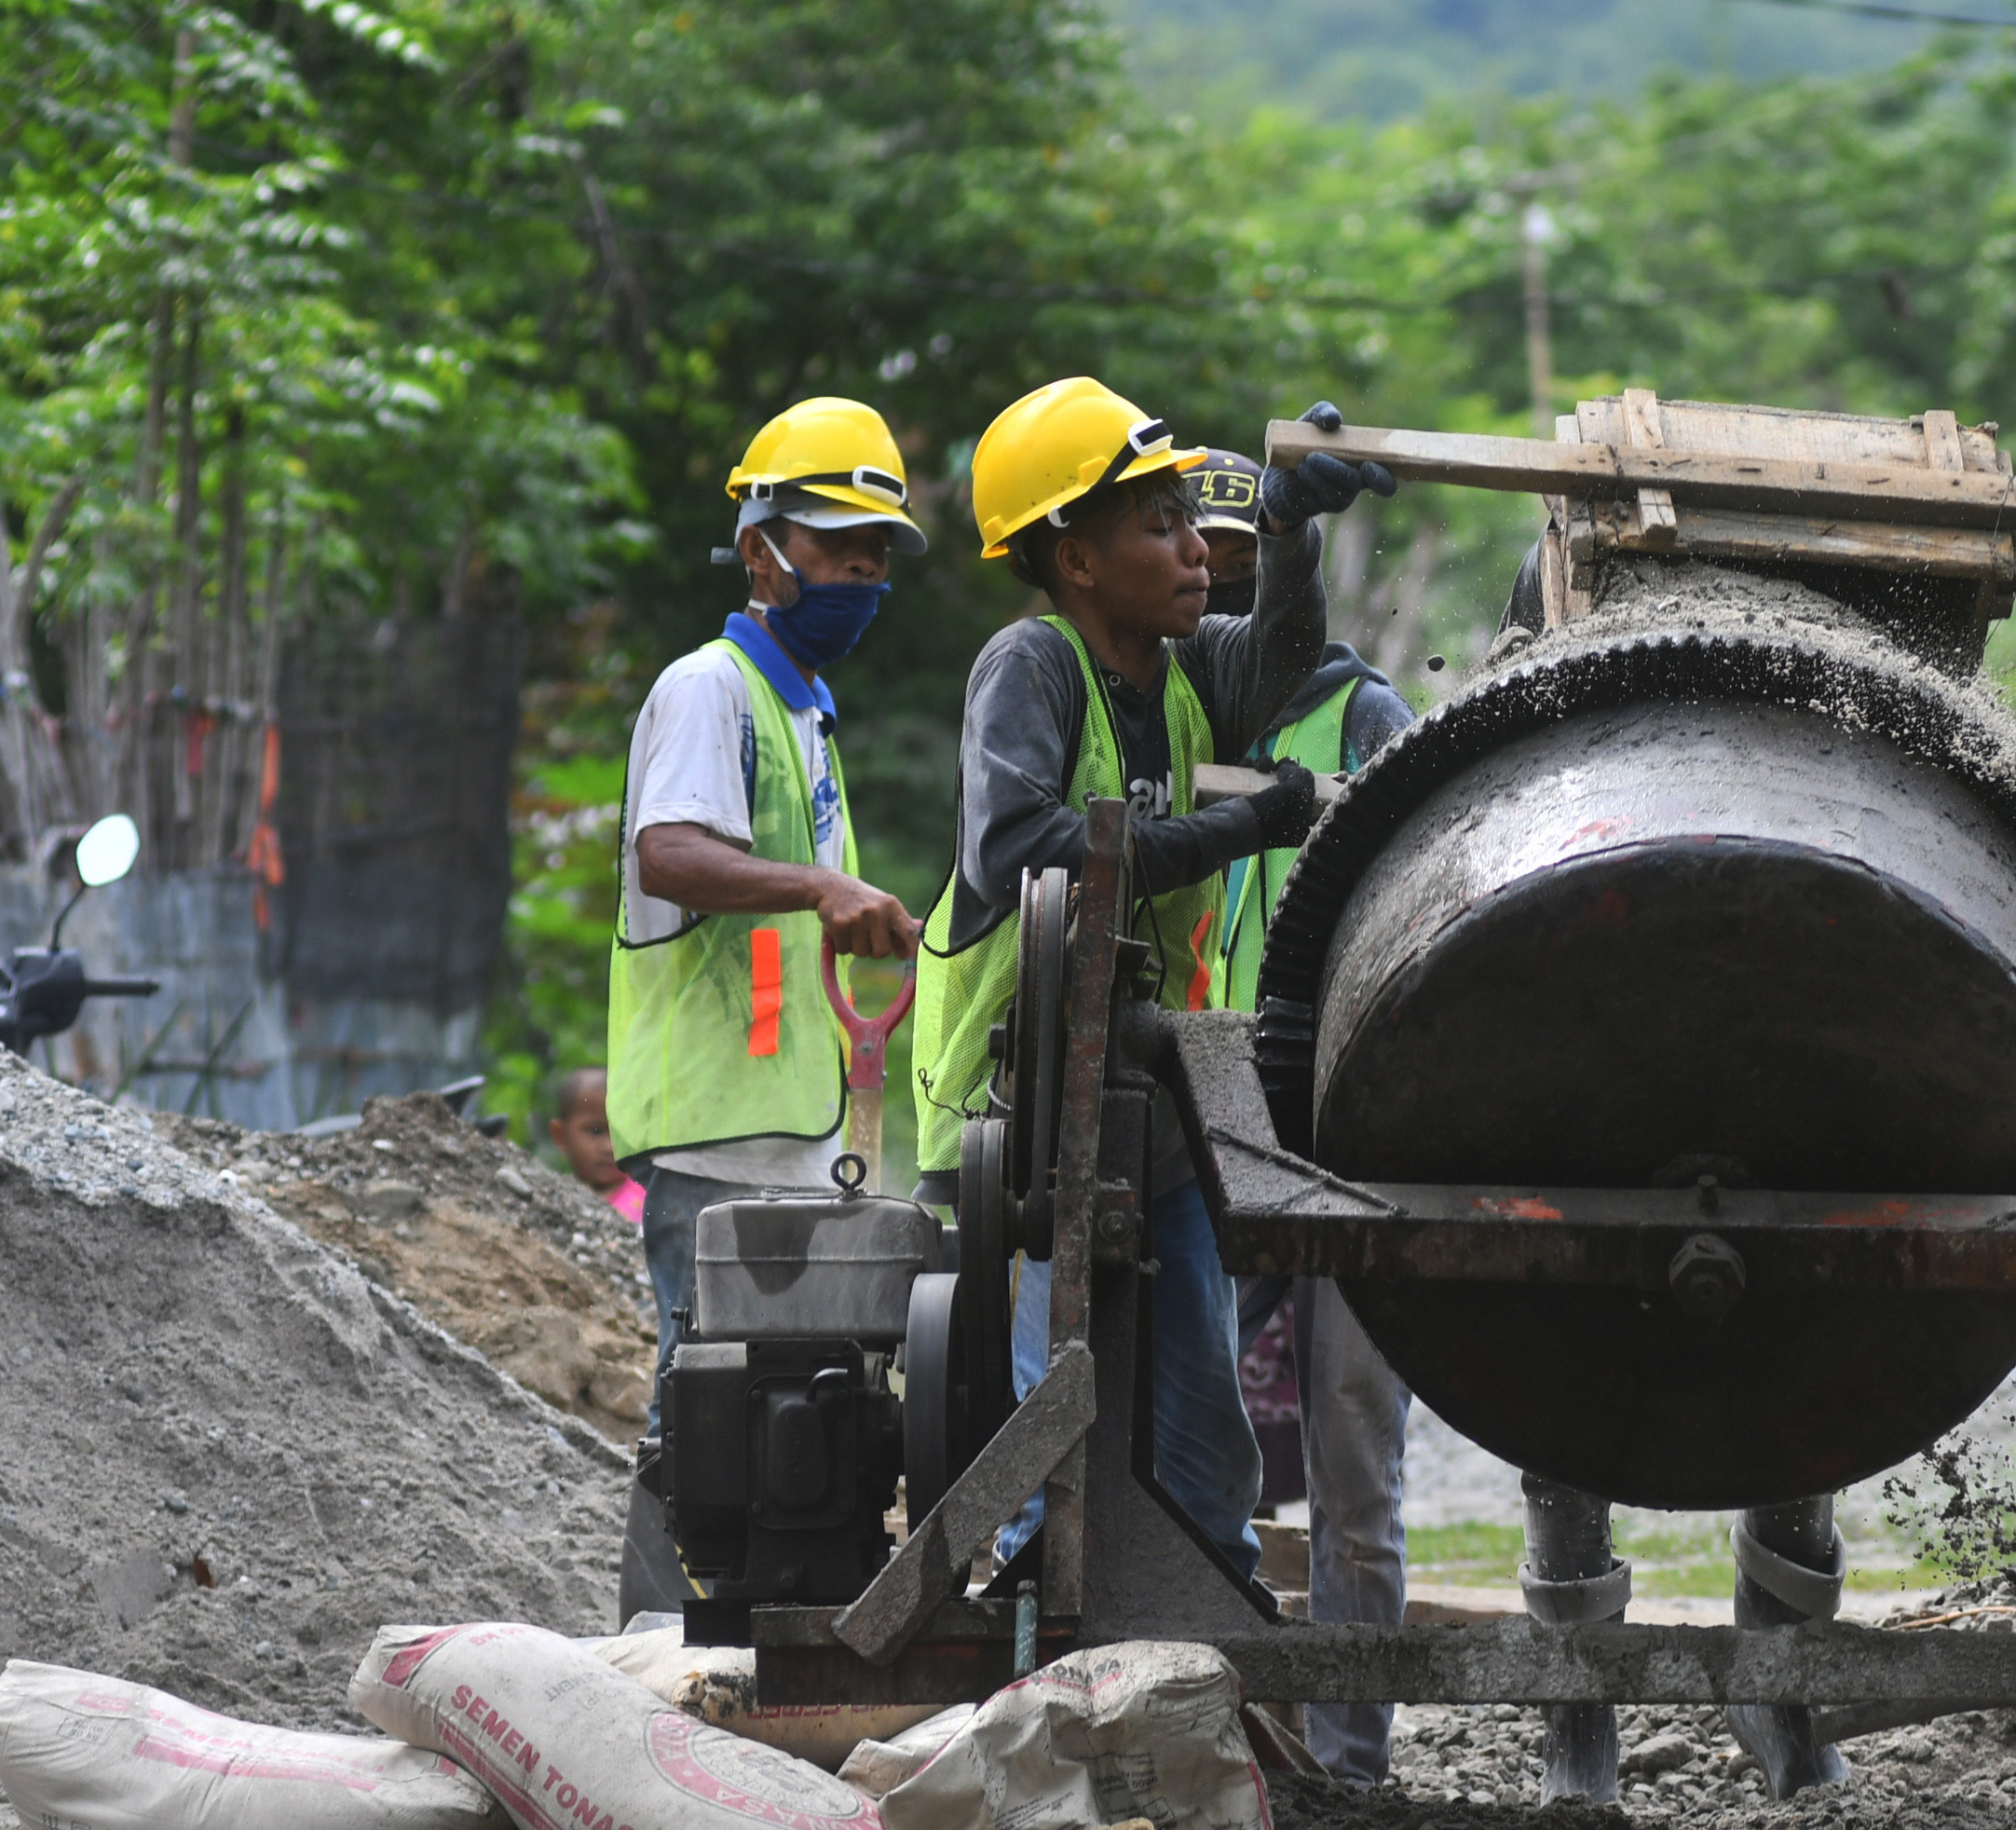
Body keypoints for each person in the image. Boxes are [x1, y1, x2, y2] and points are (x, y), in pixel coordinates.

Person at [912, 377, 1387, 1589]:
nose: (1196, 553)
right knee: (1049, 1441)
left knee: (1205, 1452)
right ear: (1077, 559)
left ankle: (1196, 1673)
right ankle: (1047, 1678)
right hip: (1014, 1126)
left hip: (1144, 1099)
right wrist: (1234, 832)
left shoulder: (1189, 673)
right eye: (1163, 527)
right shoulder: (1031, 668)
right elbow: (1016, 850)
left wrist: (1290, 535)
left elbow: (1282, 655)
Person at [607, 396, 927, 1621]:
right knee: (697, 1411)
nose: (863, 570)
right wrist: (822, 884)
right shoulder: (712, 692)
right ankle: (647, 1654)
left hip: (783, 1138)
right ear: (760, 550)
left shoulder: (802, 712)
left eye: (877, 549)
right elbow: (669, 855)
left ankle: (753, 1649)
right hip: (710, 1131)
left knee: (778, 1423)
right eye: (839, 541)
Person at [1192, 439, 1426, 1781]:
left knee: (1354, 1470)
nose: (1220, 603)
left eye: (1245, 570)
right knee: (1196, 1454)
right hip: (1205, 1113)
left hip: (1338, 1135)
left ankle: (1348, 1759)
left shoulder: (1367, 719)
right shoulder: (1170, 709)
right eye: (1204, 568)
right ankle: (1214, 1740)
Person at [540, 1065, 641, 1222]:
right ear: (560, 1135)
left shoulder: (650, 1196)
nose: (610, 1147)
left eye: (622, 1135)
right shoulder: (552, 1198)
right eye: (596, 1131)